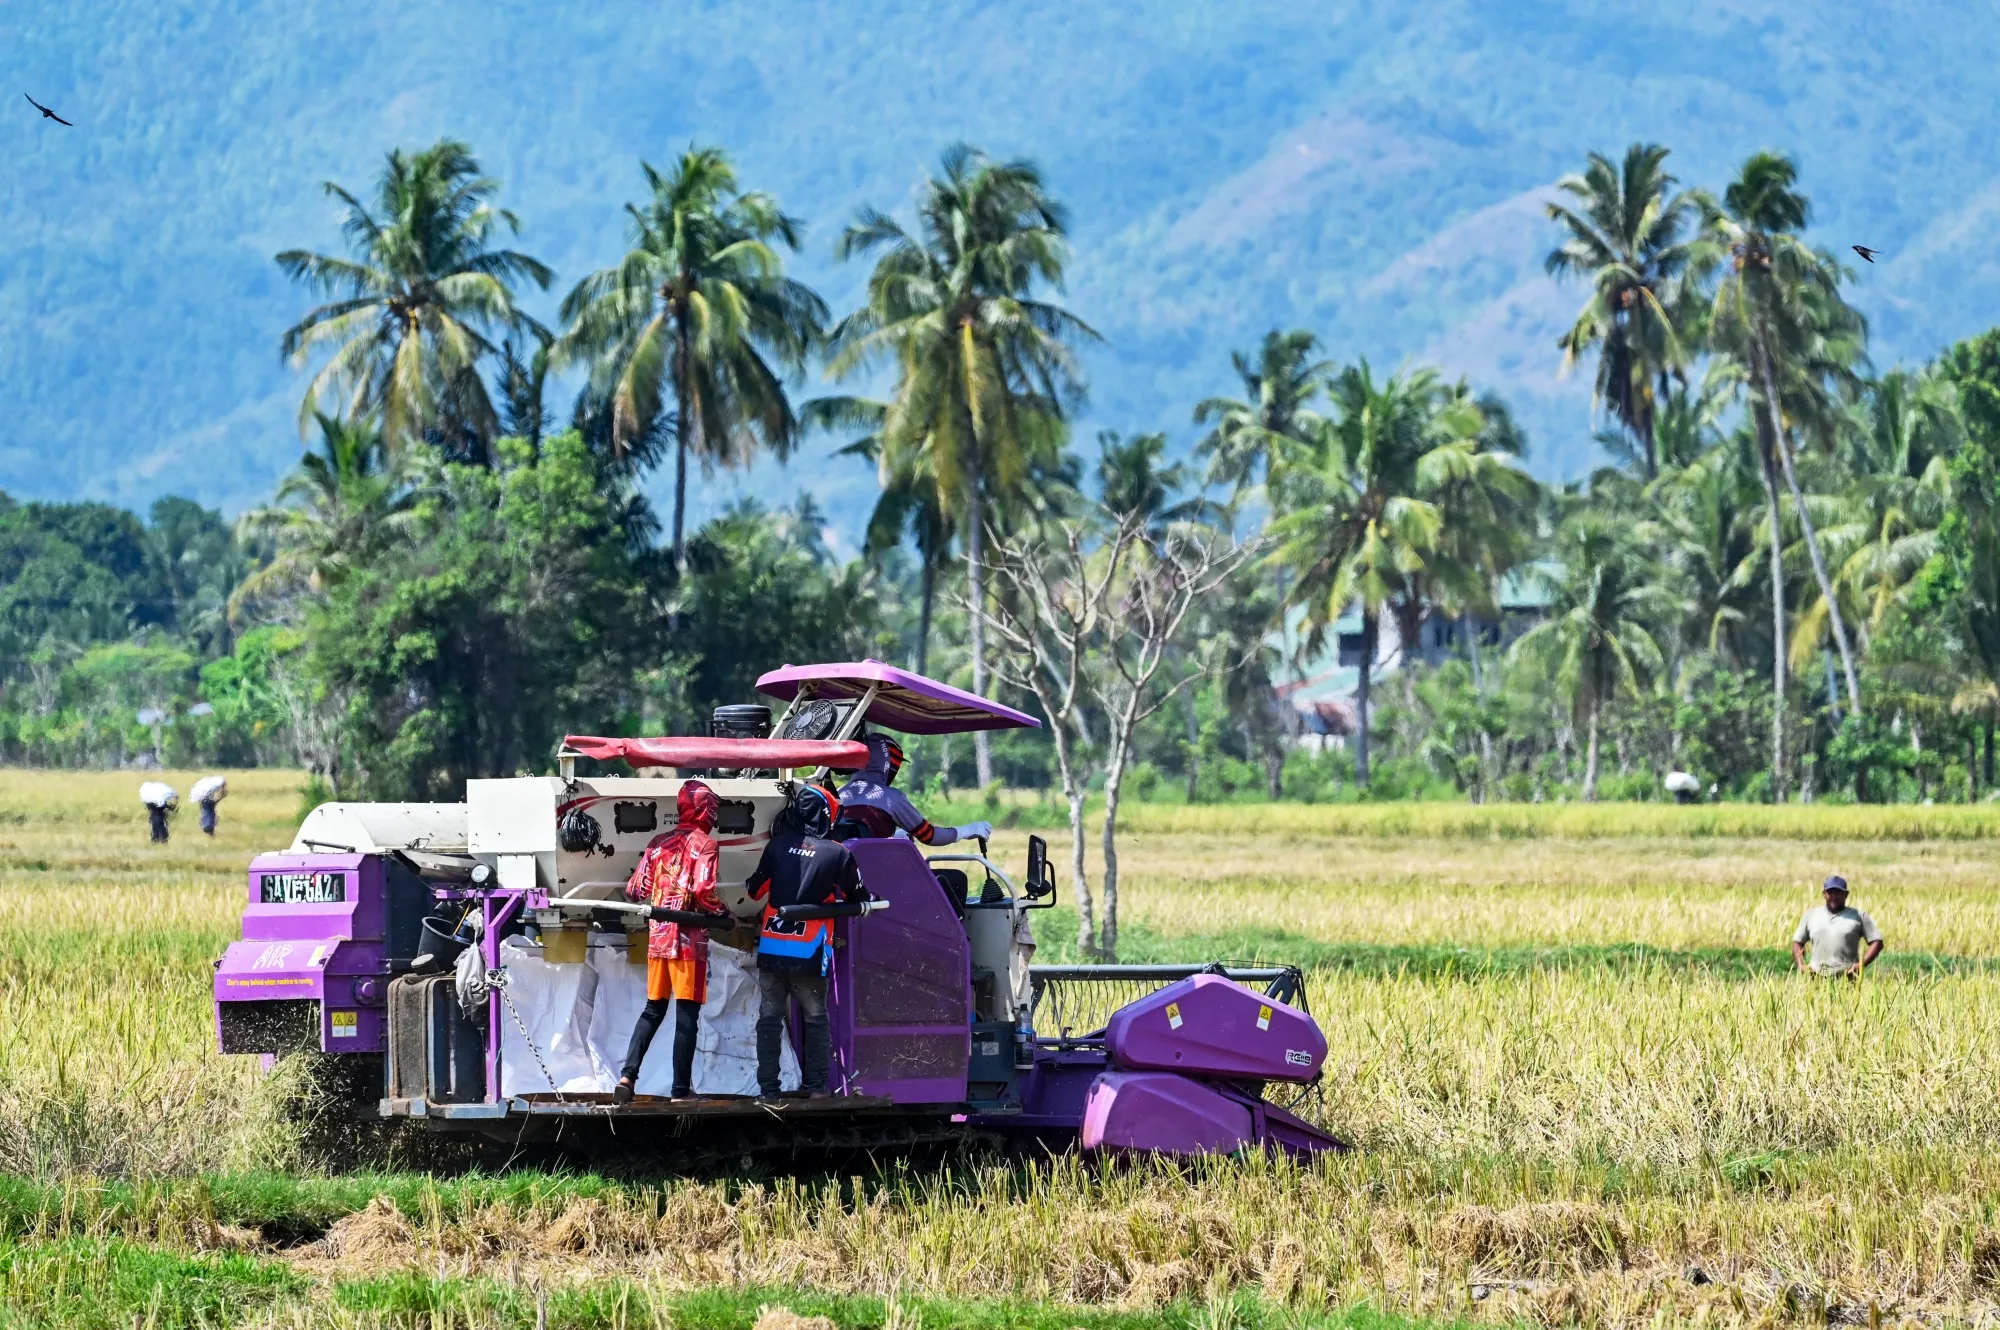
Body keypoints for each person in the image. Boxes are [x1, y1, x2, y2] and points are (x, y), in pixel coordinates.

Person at [746, 783, 866, 1099]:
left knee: (769, 1018)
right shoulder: (840, 853)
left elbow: (754, 891)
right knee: (816, 1018)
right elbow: (859, 899)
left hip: (772, 949)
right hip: (811, 953)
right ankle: (815, 1088)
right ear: (829, 815)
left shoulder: (776, 846)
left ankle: (768, 1090)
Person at [615, 780, 724, 1104]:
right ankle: (680, 1090)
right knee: (687, 1014)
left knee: (652, 1010)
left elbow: (635, 889)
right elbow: (705, 892)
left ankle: (627, 1077)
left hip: (659, 938)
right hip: (689, 941)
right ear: (706, 810)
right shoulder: (706, 844)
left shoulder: (658, 841)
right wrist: (720, 912)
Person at [833, 735, 992, 849]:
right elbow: (929, 836)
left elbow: (855, 837)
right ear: (886, 765)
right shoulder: (892, 798)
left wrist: (894, 838)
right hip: (875, 877)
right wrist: (967, 830)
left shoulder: (836, 794)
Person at [1792, 875, 1885, 978]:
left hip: (1847, 978)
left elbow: (1877, 942)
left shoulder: (1858, 916)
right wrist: (1801, 965)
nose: (1834, 896)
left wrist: (1860, 966)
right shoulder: (1811, 916)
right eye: (1830, 892)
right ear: (1824, 894)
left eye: (1838, 892)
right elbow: (1797, 943)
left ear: (1846, 894)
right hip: (1815, 976)